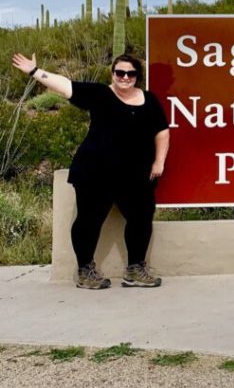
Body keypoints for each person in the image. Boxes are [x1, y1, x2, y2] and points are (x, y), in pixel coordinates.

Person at [12, 51, 170, 289]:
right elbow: (65, 86)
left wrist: (159, 162)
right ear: (113, 74)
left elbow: (162, 132)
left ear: (137, 76)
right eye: (120, 72)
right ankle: (86, 270)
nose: (125, 77)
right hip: (95, 172)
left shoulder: (149, 100)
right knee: (89, 220)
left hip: (136, 174)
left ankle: (135, 270)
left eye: (130, 73)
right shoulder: (99, 94)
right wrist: (35, 72)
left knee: (141, 218)